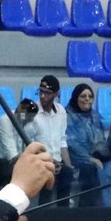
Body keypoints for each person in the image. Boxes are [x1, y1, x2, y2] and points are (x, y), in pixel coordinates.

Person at [65, 83, 111, 208]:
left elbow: (100, 140)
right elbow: (72, 143)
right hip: (76, 158)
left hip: (97, 156)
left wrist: (106, 156)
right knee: (92, 171)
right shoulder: (68, 115)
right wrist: (90, 159)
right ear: (76, 98)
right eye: (83, 96)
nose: (87, 99)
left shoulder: (95, 115)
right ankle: (89, 211)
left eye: (90, 96)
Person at [0, 98, 37, 204]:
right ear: (22, 114)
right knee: (17, 172)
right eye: (29, 118)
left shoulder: (27, 124)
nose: (31, 121)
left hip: (10, 162)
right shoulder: (5, 121)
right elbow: (11, 154)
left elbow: (29, 147)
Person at [27, 75, 72, 206]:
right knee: (48, 174)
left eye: (47, 93)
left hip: (57, 162)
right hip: (37, 161)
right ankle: (43, 212)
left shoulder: (61, 110)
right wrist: (48, 161)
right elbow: (26, 143)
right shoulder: (29, 108)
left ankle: (64, 213)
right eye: (41, 91)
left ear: (56, 94)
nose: (42, 96)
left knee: (68, 173)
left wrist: (68, 164)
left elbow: (62, 140)